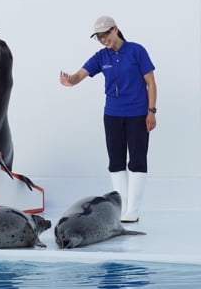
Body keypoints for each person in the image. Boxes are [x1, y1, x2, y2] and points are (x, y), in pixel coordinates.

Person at [59, 15, 157, 222]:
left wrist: (151, 111)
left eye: (106, 35)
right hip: (112, 114)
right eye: (99, 37)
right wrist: (70, 81)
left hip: (138, 114)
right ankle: (122, 208)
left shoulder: (137, 51)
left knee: (137, 160)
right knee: (116, 161)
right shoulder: (101, 57)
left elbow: (151, 82)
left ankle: (133, 210)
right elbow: (79, 75)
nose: (104, 40)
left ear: (116, 29)